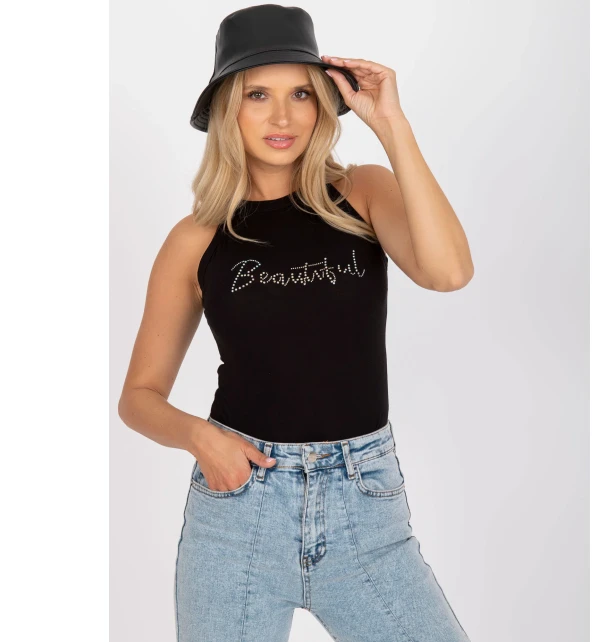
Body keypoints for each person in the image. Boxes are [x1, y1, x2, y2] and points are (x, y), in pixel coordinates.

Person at [118, 5, 474, 641]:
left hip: (363, 505)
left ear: (323, 107)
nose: (282, 117)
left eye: (301, 95)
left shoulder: (362, 193)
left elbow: (448, 273)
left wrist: (391, 125)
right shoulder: (195, 240)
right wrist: (202, 439)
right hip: (239, 513)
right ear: (228, 109)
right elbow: (138, 398)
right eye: (258, 95)